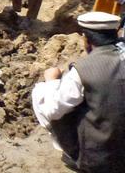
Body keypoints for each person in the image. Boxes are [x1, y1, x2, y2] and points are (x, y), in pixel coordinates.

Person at [32, 11, 125, 172]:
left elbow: (53, 110)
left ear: (86, 40)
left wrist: (52, 81)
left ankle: (71, 153)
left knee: (42, 93)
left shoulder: (83, 69)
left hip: (100, 161)